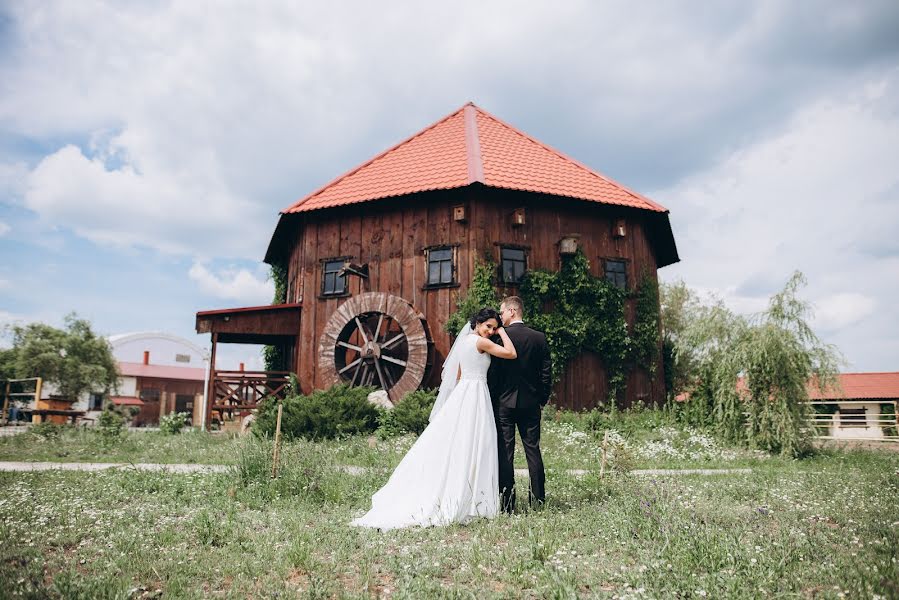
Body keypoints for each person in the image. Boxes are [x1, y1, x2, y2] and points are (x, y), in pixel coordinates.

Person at [351, 308, 517, 530]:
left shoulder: (465, 341)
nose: (491, 331)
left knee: (466, 442)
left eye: (494, 327)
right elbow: (511, 353)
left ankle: (468, 494)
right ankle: (473, 499)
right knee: (476, 442)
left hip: (465, 392)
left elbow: (458, 375)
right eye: (488, 326)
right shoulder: (481, 343)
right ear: (477, 324)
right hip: (476, 393)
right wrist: (504, 332)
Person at [487, 295, 552, 512]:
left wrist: (494, 399)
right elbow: (546, 373)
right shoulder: (539, 338)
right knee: (533, 450)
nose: (500, 315)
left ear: (512, 311)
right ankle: (538, 502)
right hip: (531, 404)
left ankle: (507, 505)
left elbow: (493, 374)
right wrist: (541, 399)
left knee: (506, 453)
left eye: (502, 311)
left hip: (504, 404)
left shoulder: (499, 338)